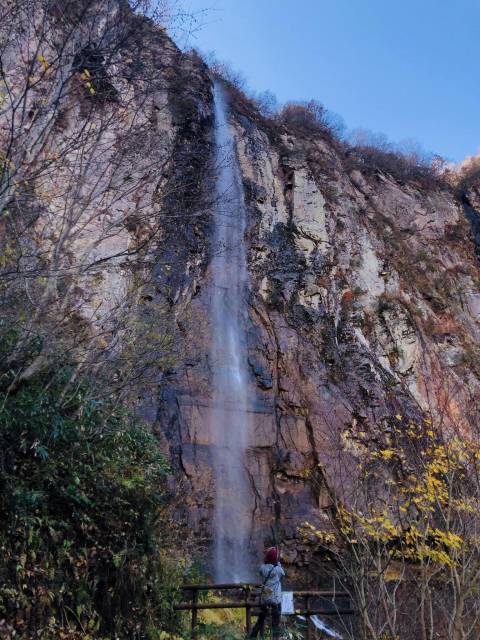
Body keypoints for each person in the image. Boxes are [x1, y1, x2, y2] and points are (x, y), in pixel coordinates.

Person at [249, 547, 285, 639]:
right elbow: (283, 574)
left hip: (265, 598)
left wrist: (267, 553)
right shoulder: (278, 570)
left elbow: (262, 567)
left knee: (261, 620)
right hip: (275, 600)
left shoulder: (262, 568)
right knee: (275, 622)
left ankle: (253, 636)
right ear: (275, 559)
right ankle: (275, 637)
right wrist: (278, 563)